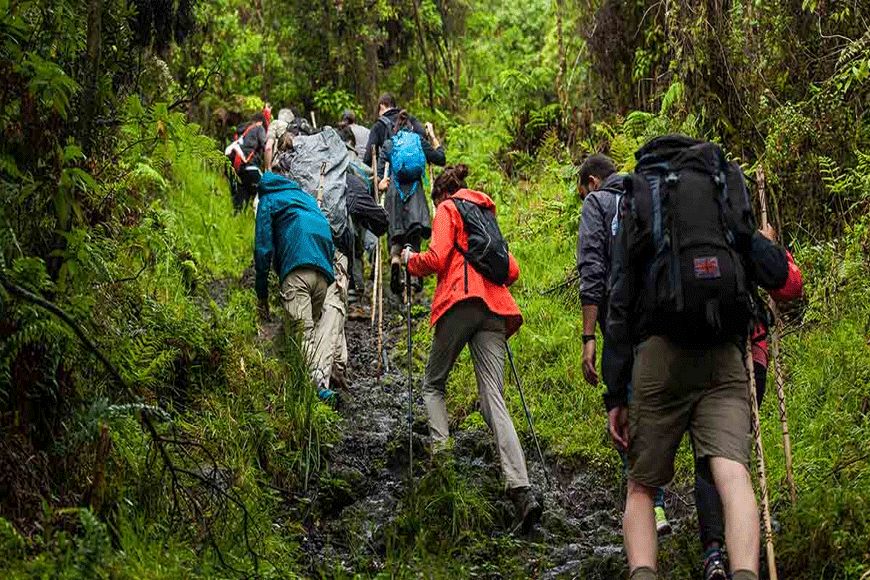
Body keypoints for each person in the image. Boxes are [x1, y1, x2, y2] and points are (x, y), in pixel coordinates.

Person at [605, 135, 792, 580]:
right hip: (724, 353)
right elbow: (774, 269)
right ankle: (744, 573)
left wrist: (617, 393)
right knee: (734, 474)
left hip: (659, 357)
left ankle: (645, 572)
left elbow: (620, 297)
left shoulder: (640, 194)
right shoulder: (721, 186)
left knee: (642, 487)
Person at [402, 164, 542, 534]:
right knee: (493, 397)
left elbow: (435, 258)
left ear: (441, 196)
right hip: (496, 307)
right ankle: (521, 491)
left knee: (433, 384)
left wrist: (407, 260)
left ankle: (443, 464)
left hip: (459, 301)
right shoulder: (485, 212)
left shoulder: (448, 210)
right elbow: (510, 270)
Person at [695, 224, 803, 579]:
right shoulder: (740, 227)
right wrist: (771, 246)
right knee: (733, 455)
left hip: (691, 355)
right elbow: (790, 284)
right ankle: (742, 554)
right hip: (745, 352)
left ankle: (713, 553)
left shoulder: (679, 228)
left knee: (707, 457)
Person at [575, 154, 671, 536]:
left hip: (622, 324)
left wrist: (588, 338)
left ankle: (650, 505)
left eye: (582, 190)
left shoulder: (596, 205)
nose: (582, 197)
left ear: (593, 182)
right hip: (665, 317)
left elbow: (592, 269)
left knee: (626, 410)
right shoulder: (649, 194)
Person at [254, 168, 335, 403]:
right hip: (323, 272)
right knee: (305, 334)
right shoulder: (305, 198)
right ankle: (292, 382)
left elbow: (263, 248)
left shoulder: (268, 199)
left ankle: (318, 390)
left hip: (297, 270)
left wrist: (262, 294)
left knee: (304, 336)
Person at [377, 111, 445, 295]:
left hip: (394, 194)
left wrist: (379, 182)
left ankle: (395, 260)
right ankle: (415, 272)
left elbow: (379, 171)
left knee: (396, 234)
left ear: (395, 128)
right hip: (415, 193)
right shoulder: (419, 142)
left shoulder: (389, 144)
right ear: (412, 127)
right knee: (414, 235)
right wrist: (433, 137)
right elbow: (441, 158)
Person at [362, 93, 426, 167]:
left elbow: (368, 156)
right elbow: (422, 134)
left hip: (390, 172)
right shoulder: (408, 119)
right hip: (412, 169)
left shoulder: (378, 126)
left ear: (381, 106)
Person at [226, 111, 269, 212]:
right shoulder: (259, 128)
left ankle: (238, 219)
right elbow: (265, 146)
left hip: (237, 169)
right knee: (267, 187)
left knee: (241, 197)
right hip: (251, 166)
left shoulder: (241, 131)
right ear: (261, 122)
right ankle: (259, 216)